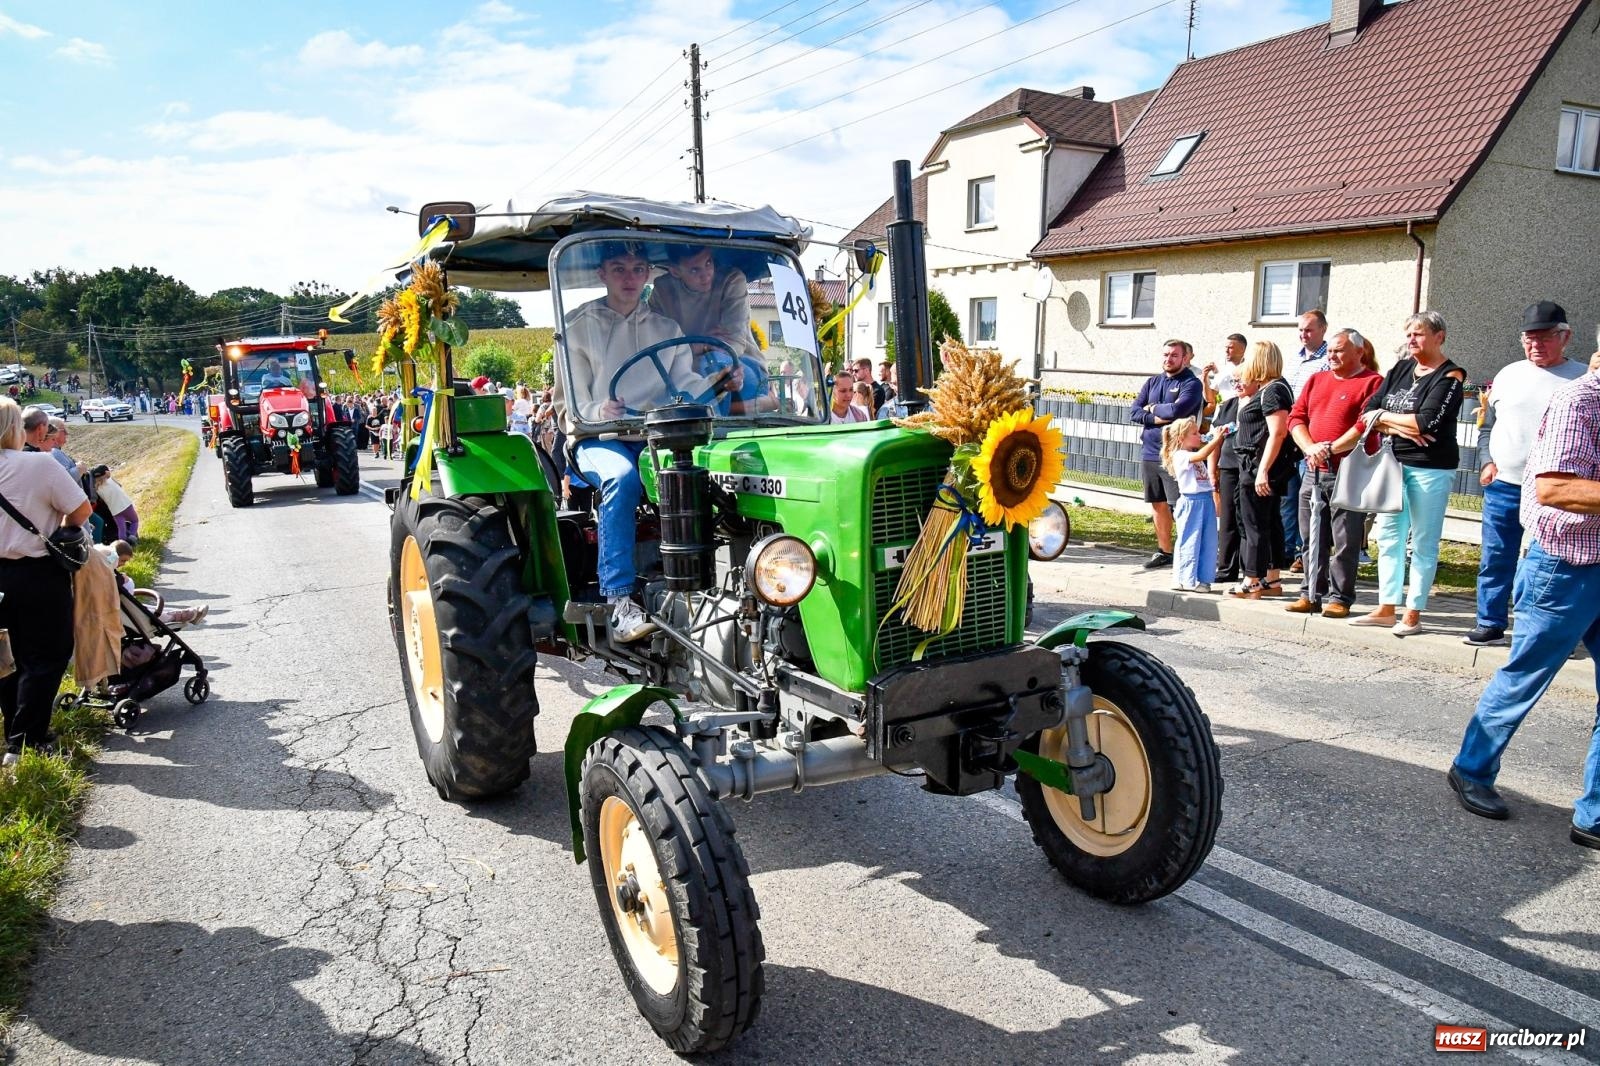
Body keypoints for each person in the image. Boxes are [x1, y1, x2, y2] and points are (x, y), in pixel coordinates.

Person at [1446, 364, 1600, 851]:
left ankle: (1593, 815)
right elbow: (1555, 487)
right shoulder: (1579, 402)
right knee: (1525, 675)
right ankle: (1470, 768)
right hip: (1566, 568)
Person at [555, 241, 723, 642]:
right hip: (599, 438)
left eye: (637, 269)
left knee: (706, 475)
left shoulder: (666, 330)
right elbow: (569, 405)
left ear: (648, 273)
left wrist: (718, 382)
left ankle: (702, 586)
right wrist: (599, 410)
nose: (629, 278)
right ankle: (619, 600)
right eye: (619, 268)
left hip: (655, 436)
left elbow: (686, 387)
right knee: (623, 478)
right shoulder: (579, 326)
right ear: (603, 274)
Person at [1464, 301, 1588, 647]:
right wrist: (1487, 461)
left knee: (1550, 561)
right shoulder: (1507, 374)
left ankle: (1543, 628)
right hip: (1505, 484)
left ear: (1565, 337)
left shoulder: (1583, 379)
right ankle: (1489, 622)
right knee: (1495, 556)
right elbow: (1486, 424)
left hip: (1559, 490)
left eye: (1545, 338)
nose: (1536, 345)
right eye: (1529, 338)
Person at [1344, 311, 1465, 636]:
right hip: (1394, 464)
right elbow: (1369, 410)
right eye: (1408, 334)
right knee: (1388, 538)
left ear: (1439, 336)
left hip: (1431, 468)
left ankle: (1413, 612)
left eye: (1419, 334)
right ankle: (1386, 607)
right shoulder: (1400, 369)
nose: (1411, 340)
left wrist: (1390, 420)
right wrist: (1393, 419)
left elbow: (1426, 423)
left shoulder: (1451, 376)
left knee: (1423, 541)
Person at [0, 398, 93, 763]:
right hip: (37, 572)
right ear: (15, 429)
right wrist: (61, 535)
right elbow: (82, 509)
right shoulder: (39, 464)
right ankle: (27, 740)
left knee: (6, 659)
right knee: (47, 655)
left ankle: (15, 732)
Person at [1284, 328, 1382, 618]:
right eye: (1330, 351)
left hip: (1347, 471)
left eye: (1339, 350)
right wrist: (1310, 447)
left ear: (1358, 351)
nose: (1332, 355)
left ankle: (1340, 597)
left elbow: (1364, 426)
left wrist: (1329, 448)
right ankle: (1310, 592)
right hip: (1313, 469)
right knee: (1311, 535)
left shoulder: (1372, 382)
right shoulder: (1317, 379)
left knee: (1345, 538)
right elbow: (1296, 417)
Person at [1129, 340, 1203, 570]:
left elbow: (1178, 411)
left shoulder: (1191, 383)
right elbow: (1134, 411)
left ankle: (1186, 552)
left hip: (1175, 455)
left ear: (1185, 358)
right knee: (1157, 504)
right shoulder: (1152, 381)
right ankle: (1165, 551)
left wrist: (1152, 408)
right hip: (1150, 453)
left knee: (1179, 505)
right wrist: (1154, 417)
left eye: (1174, 355)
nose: (1168, 359)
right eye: (1166, 354)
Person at [1229, 341, 1293, 598]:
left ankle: (1252, 579)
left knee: (1254, 522)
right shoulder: (1273, 388)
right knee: (1269, 522)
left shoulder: (1273, 391)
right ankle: (1271, 578)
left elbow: (1278, 432)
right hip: (1258, 466)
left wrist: (1263, 470)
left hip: (1257, 467)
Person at [1282, 310, 1331, 572]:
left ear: (1323, 329)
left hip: (1312, 437)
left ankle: (1306, 552)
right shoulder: (1294, 360)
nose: (1303, 335)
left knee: (1310, 496)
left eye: (1309, 330)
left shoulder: (1327, 360)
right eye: (1300, 330)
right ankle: (1287, 550)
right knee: (1290, 497)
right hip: (1290, 435)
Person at [648, 244, 756, 358]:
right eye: (695, 270)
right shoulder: (663, 289)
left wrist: (687, 347)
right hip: (681, 366)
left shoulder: (731, 280)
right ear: (675, 272)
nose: (706, 275)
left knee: (716, 363)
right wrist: (701, 345)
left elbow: (733, 345)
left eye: (708, 263)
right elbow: (656, 345)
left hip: (742, 361)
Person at [1162, 416, 1229, 593]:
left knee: (1209, 541)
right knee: (1189, 540)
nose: (1199, 435)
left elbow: (1202, 454)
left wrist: (1213, 437)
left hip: (1205, 500)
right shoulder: (1181, 456)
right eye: (1194, 433)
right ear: (1180, 438)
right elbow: (1203, 454)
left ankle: (1204, 580)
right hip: (1191, 502)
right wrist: (1217, 439)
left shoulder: (1193, 453)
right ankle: (1184, 578)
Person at [1205, 334, 1248, 582]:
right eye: (1235, 381)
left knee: (1249, 521)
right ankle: (1226, 568)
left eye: (1241, 380)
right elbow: (1217, 439)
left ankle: (1250, 569)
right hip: (1230, 465)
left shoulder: (1261, 402)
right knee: (1229, 518)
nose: (1237, 384)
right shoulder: (1229, 405)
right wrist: (1213, 470)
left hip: (1252, 469)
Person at [91, 465, 139, 542]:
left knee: (121, 529)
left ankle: (123, 544)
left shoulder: (97, 489)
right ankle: (132, 536)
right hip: (126, 505)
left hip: (115, 512)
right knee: (134, 521)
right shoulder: (110, 480)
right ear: (106, 473)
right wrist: (109, 475)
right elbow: (120, 485)